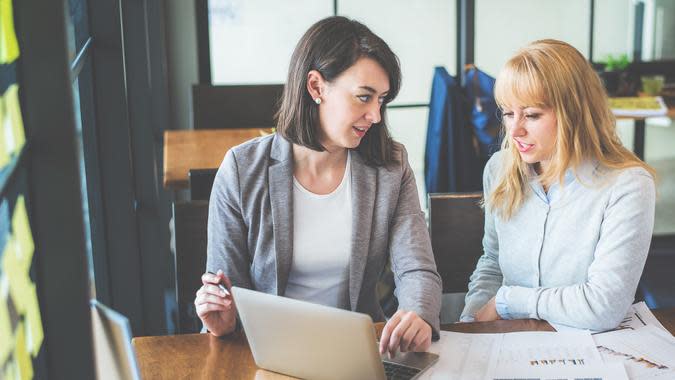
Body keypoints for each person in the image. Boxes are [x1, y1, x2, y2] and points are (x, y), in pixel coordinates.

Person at [194, 16, 442, 355]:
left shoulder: (390, 166)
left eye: (381, 100)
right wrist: (223, 320)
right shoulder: (241, 169)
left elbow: (417, 268)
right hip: (270, 353)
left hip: (356, 352)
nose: (376, 116)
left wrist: (419, 313)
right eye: (363, 97)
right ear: (316, 87)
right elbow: (228, 291)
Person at [461, 39, 656, 331]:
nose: (514, 130)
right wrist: (470, 325)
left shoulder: (628, 185)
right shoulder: (499, 169)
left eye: (532, 114)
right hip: (510, 345)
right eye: (508, 112)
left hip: (591, 350)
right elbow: (492, 263)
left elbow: (602, 306)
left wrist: (509, 301)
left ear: (574, 113)